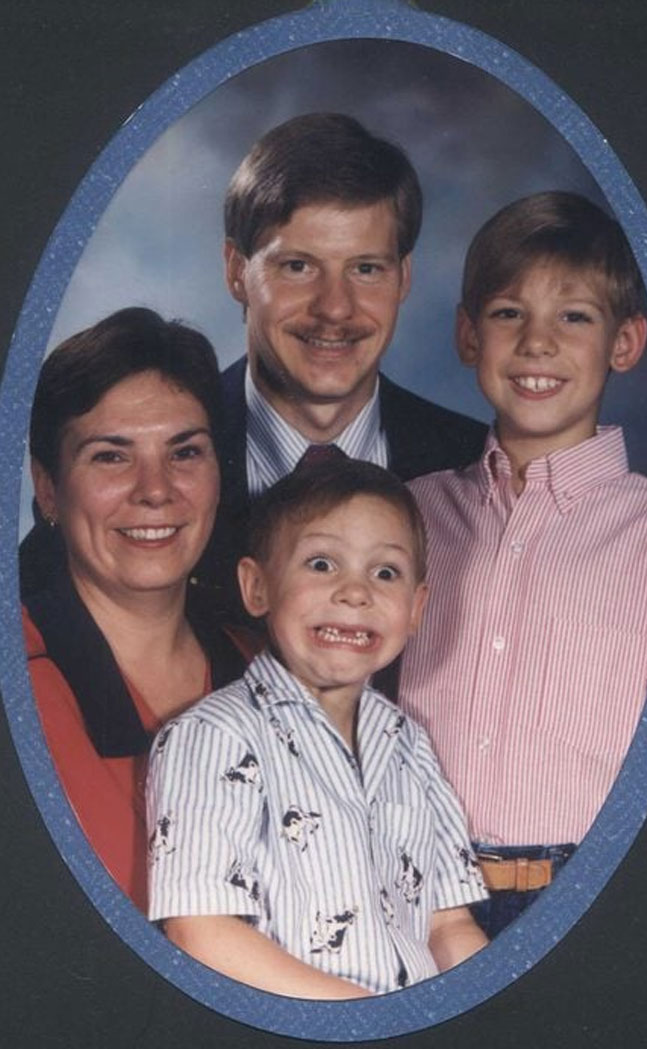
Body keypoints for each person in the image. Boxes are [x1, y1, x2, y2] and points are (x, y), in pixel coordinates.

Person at [398, 192, 647, 939]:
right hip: (417, 890)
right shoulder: (411, 516)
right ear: (467, 333)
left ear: (626, 342)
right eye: (508, 313)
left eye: (575, 317)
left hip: (585, 892)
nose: (537, 343)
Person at [147, 457, 488, 998]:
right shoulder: (212, 735)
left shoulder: (410, 744)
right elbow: (201, 930)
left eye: (386, 573)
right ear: (256, 587)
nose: (356, 593)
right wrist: (364, 1016)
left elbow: (448, 925)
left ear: (417, 608)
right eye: (322, 564)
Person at [196, 112, 488, 612]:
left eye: (366, 268)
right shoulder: (165, 461)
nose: (335, 307)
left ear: (403, 278)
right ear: (237, 271)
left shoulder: (475, 465)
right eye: (298, 266)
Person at [22, 308, 256, 912]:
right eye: (111, 456)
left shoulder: (266, 669)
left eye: (185, 452)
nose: (156, 490)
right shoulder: (18, 675)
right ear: (48, 488)